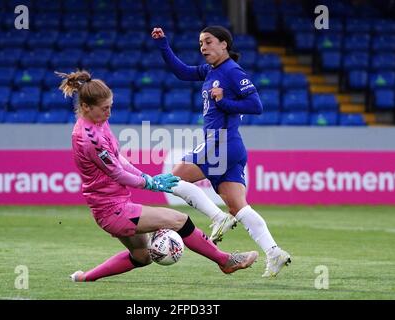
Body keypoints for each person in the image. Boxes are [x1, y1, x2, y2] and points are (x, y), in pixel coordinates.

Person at [55, 70, 258, 282]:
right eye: (105, 109)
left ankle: (85, 278)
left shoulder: (97, 123)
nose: (109, 113)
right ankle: (225, 261)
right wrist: (149, 183)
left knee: (142, 257)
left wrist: (146, 177)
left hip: (113, 206)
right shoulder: (88, 138)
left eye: (110, 107)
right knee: (180, 220)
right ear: (86, 107)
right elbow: (115, 172)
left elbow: (119, 160)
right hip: (114, 210)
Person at [151, 26, 291, 278]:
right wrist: (163, 45)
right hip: (231, 147)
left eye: (208, 41)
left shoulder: (233, 72)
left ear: (224, 44)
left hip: (221, 142)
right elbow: (182, 72)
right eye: (200, 43)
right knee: (239, 207)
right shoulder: (210, 71)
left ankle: (217, 217)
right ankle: (274, 252)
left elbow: (256, 105)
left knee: (172, 178)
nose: (203, 47)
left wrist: (223, 101)